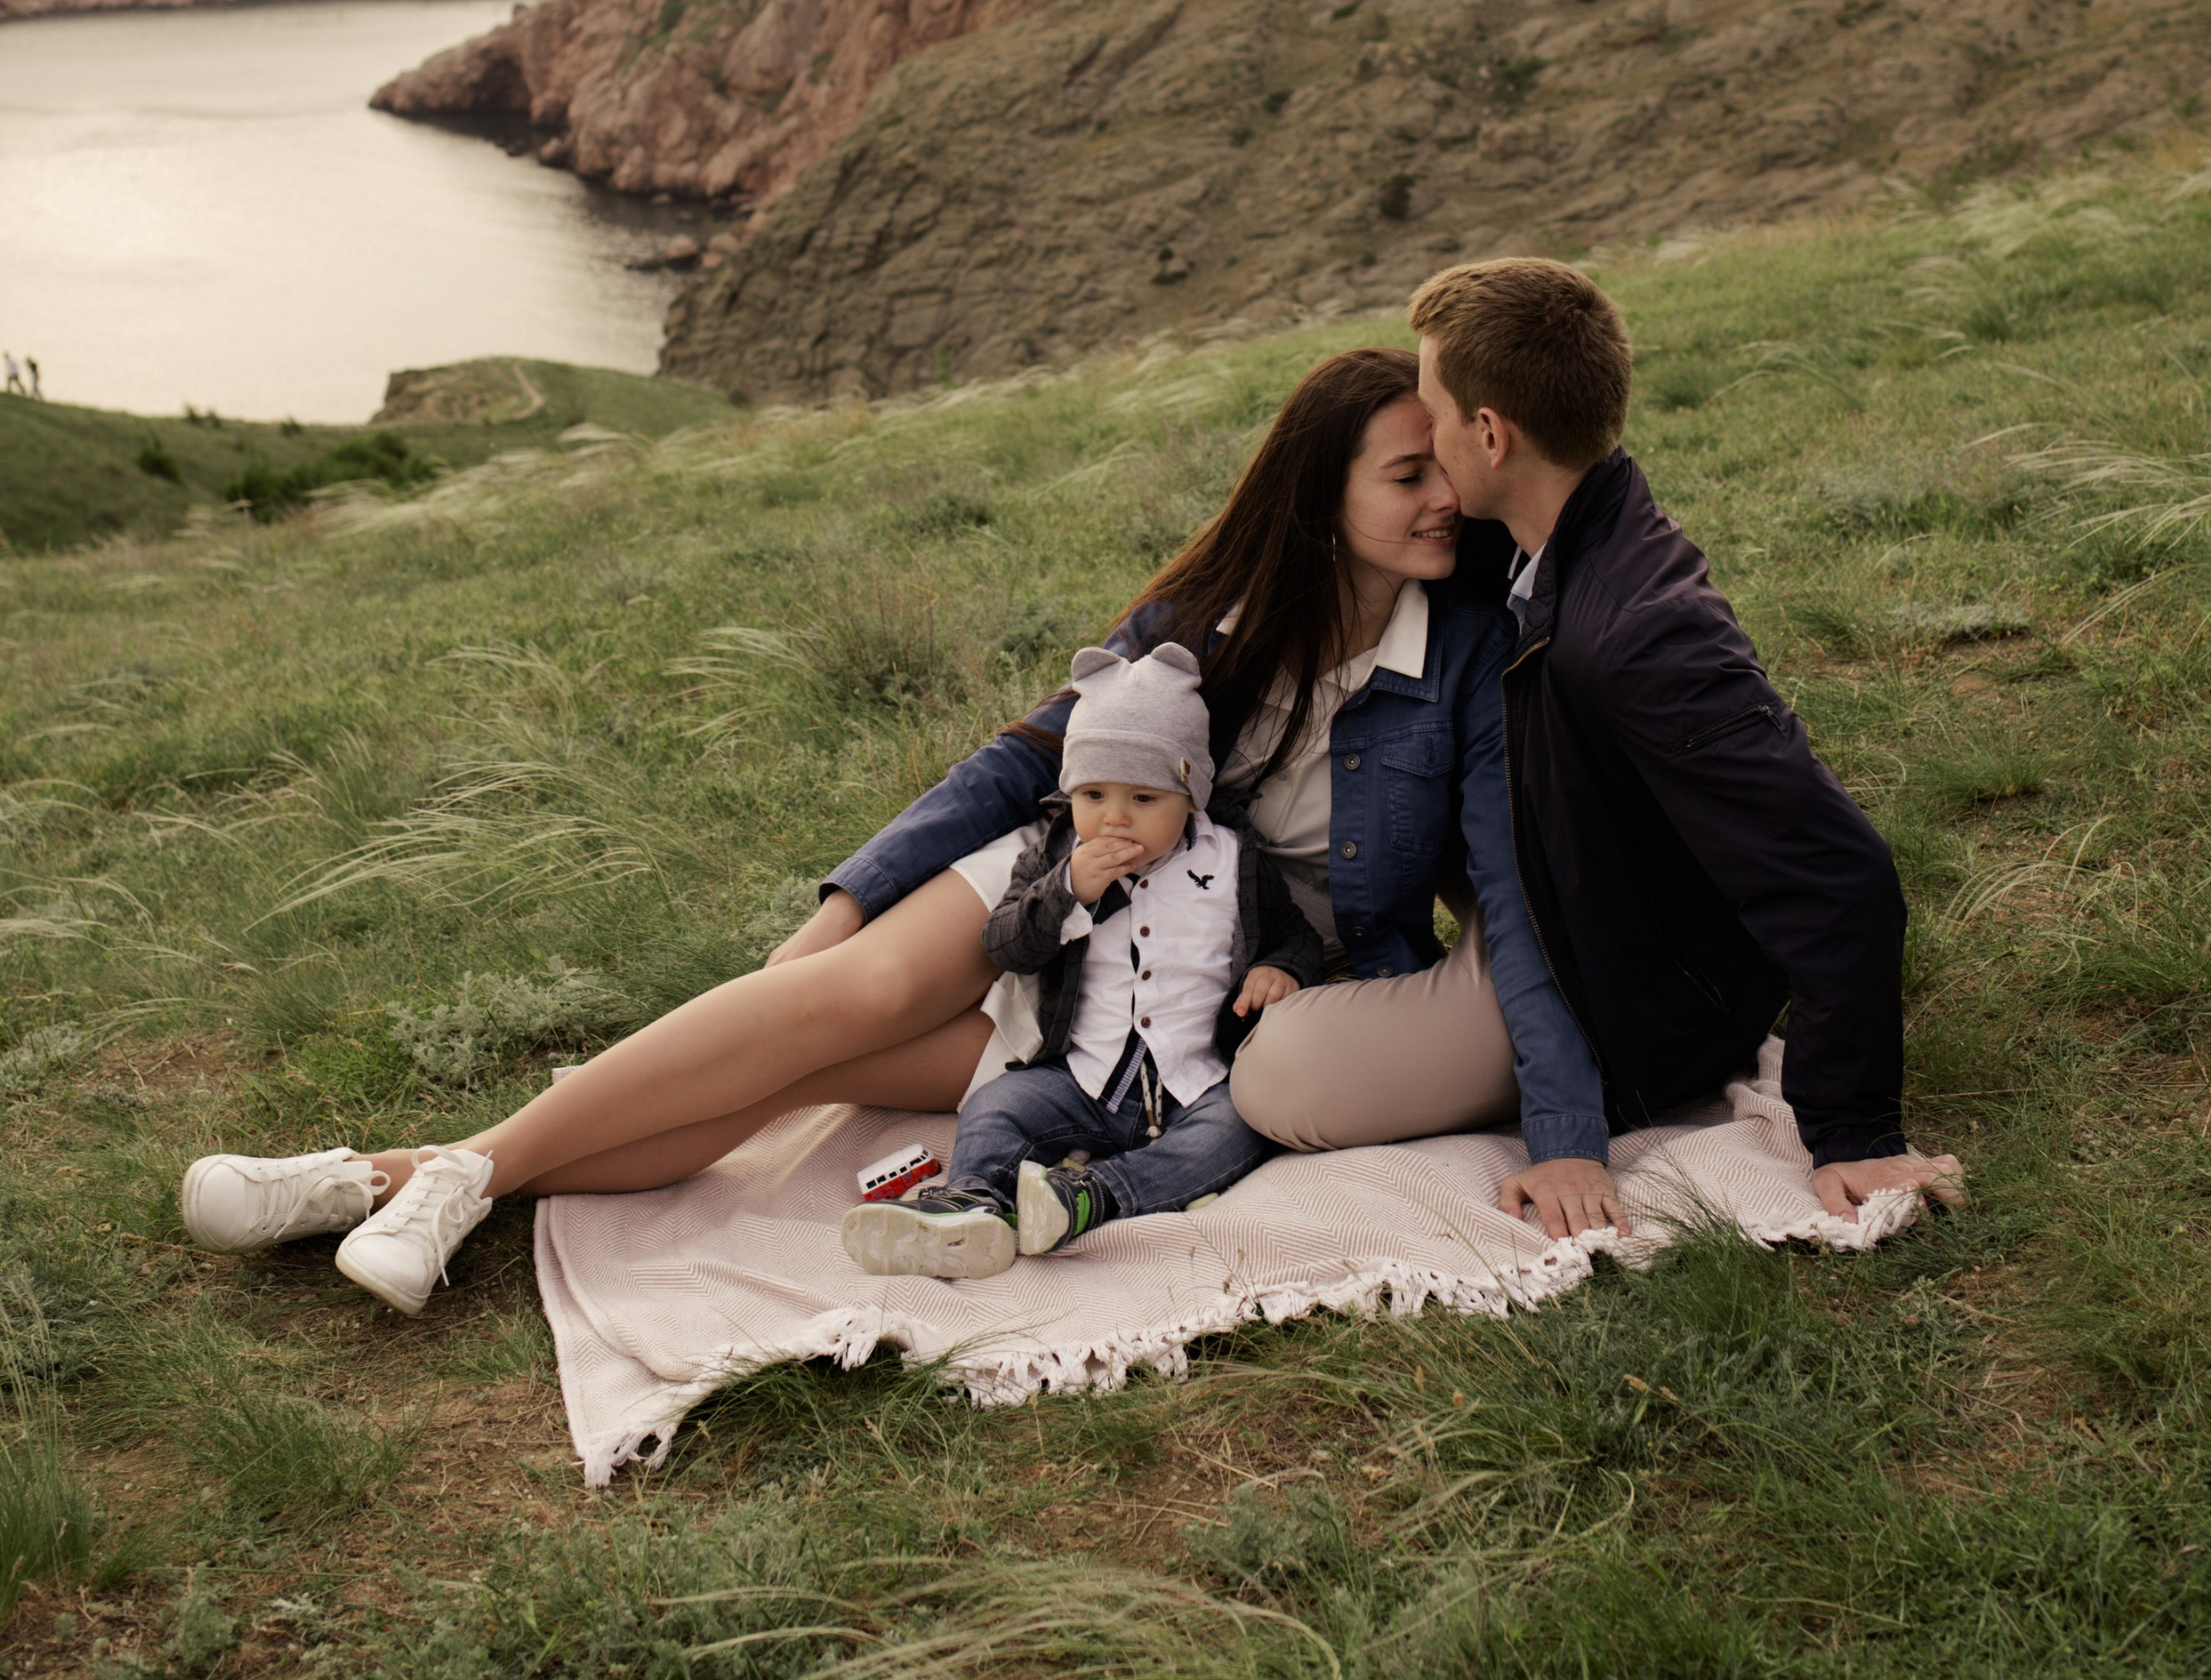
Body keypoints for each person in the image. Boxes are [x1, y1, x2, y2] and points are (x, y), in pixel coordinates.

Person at [179, 349, 1602, 1311]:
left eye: (1442, 472)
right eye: (1405, 475)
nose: (1444, 498)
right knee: (840, 995)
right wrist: (848, 905)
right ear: (1320, 497)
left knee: (816, 1069)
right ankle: (453, 1177)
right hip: (1056, 882)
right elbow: (1019, 765)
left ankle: (391, 1176)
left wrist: (1564, 1123)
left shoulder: (1469, 655)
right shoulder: (1197, 630)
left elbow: (1505, 899)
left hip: (1179, 980)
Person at [1393, 255, 1964, 1231]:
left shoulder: (1646, 639)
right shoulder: (1560, 529)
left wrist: (1855, 1129)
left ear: (1490, 435)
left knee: (1286, 1085)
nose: (1423, 435)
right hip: (1569, 920)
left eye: (1433, 415)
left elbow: (1840, 877)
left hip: (1647, 1025)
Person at [840, 639, 1323, 1281]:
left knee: (1235, 1130)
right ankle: (972, 1203)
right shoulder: (1056, 857)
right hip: (1083, 1078)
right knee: (999, 1103)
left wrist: (1281, 970)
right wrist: (1069, 891)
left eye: (1144, 800)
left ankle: (1091, 1197)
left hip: (1199, 1080)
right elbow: (1006, 945)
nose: (1114, 818)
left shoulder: (1234, 859)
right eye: (1093, 796)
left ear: (1191, 795)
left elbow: (1296, 936)